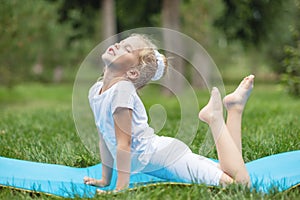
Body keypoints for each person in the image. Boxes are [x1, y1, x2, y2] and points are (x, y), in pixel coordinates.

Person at [83, 34, 253, 193]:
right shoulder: (96, 91)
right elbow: (104, 137)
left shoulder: (122, 91)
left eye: (127, 49)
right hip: (160, 157)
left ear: (132, 73)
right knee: (230, 171)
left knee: (240, 185)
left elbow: (123, 144)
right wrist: (105, 180)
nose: (117, 45)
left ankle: (215, 118)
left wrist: (120, 189)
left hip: (168, 157)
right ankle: (235, 108)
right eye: (121, 43)